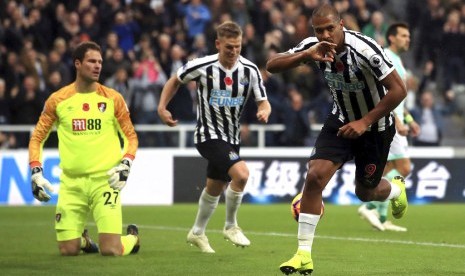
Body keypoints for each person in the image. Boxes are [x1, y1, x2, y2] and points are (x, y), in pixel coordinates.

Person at [266, 4, 408, 275]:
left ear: (341, 24)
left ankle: (396, 190)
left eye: (330, 28)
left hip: (375, 127)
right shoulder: (313, 45)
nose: (325, 35)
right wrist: (306, 55)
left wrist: (364, 121)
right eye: (319, 31)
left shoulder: (365, 49)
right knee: (315, 176)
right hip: (340, 121)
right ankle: (303, 254)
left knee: (365, 191)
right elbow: (272, 65)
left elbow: (398, 90)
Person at [158, 21, 271, 253]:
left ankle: (197, 232)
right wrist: (162, 107)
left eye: (238, 46)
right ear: (218, 44)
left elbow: (263, 100)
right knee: (241, 175)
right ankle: (231, 226)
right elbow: (175, 80)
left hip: (232, 138)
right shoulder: (203, 65)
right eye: (229, 47)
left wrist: (264, 109)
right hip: (207, 135)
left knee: (214, 188)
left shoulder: (249, 70)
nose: (234, 51)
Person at [28, 41, 140, 256]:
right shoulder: (58, 100)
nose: (97, 66)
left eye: (100, 62)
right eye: (91, 61)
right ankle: (85, 242)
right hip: (71, 183)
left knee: (111, 250)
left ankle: (133, 238)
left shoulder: (113, 98)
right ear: (77, 64)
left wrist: (126, 163)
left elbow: (131, 137)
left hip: (105, 182)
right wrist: (35, 171)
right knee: (67, 250)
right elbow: (37, 138)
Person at [358, 22, 421, 232]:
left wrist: (409, 120)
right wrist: (400, 121)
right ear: (392, 37)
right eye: (403, 35)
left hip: (396, 119)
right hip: (389, 120)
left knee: (387, 169)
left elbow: (400, 98)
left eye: (408, 36)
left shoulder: (398, 61)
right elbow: (383, 95)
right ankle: (369, 206)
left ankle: (381, 216)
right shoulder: (384, 57)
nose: (408, 39)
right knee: (404, 168)